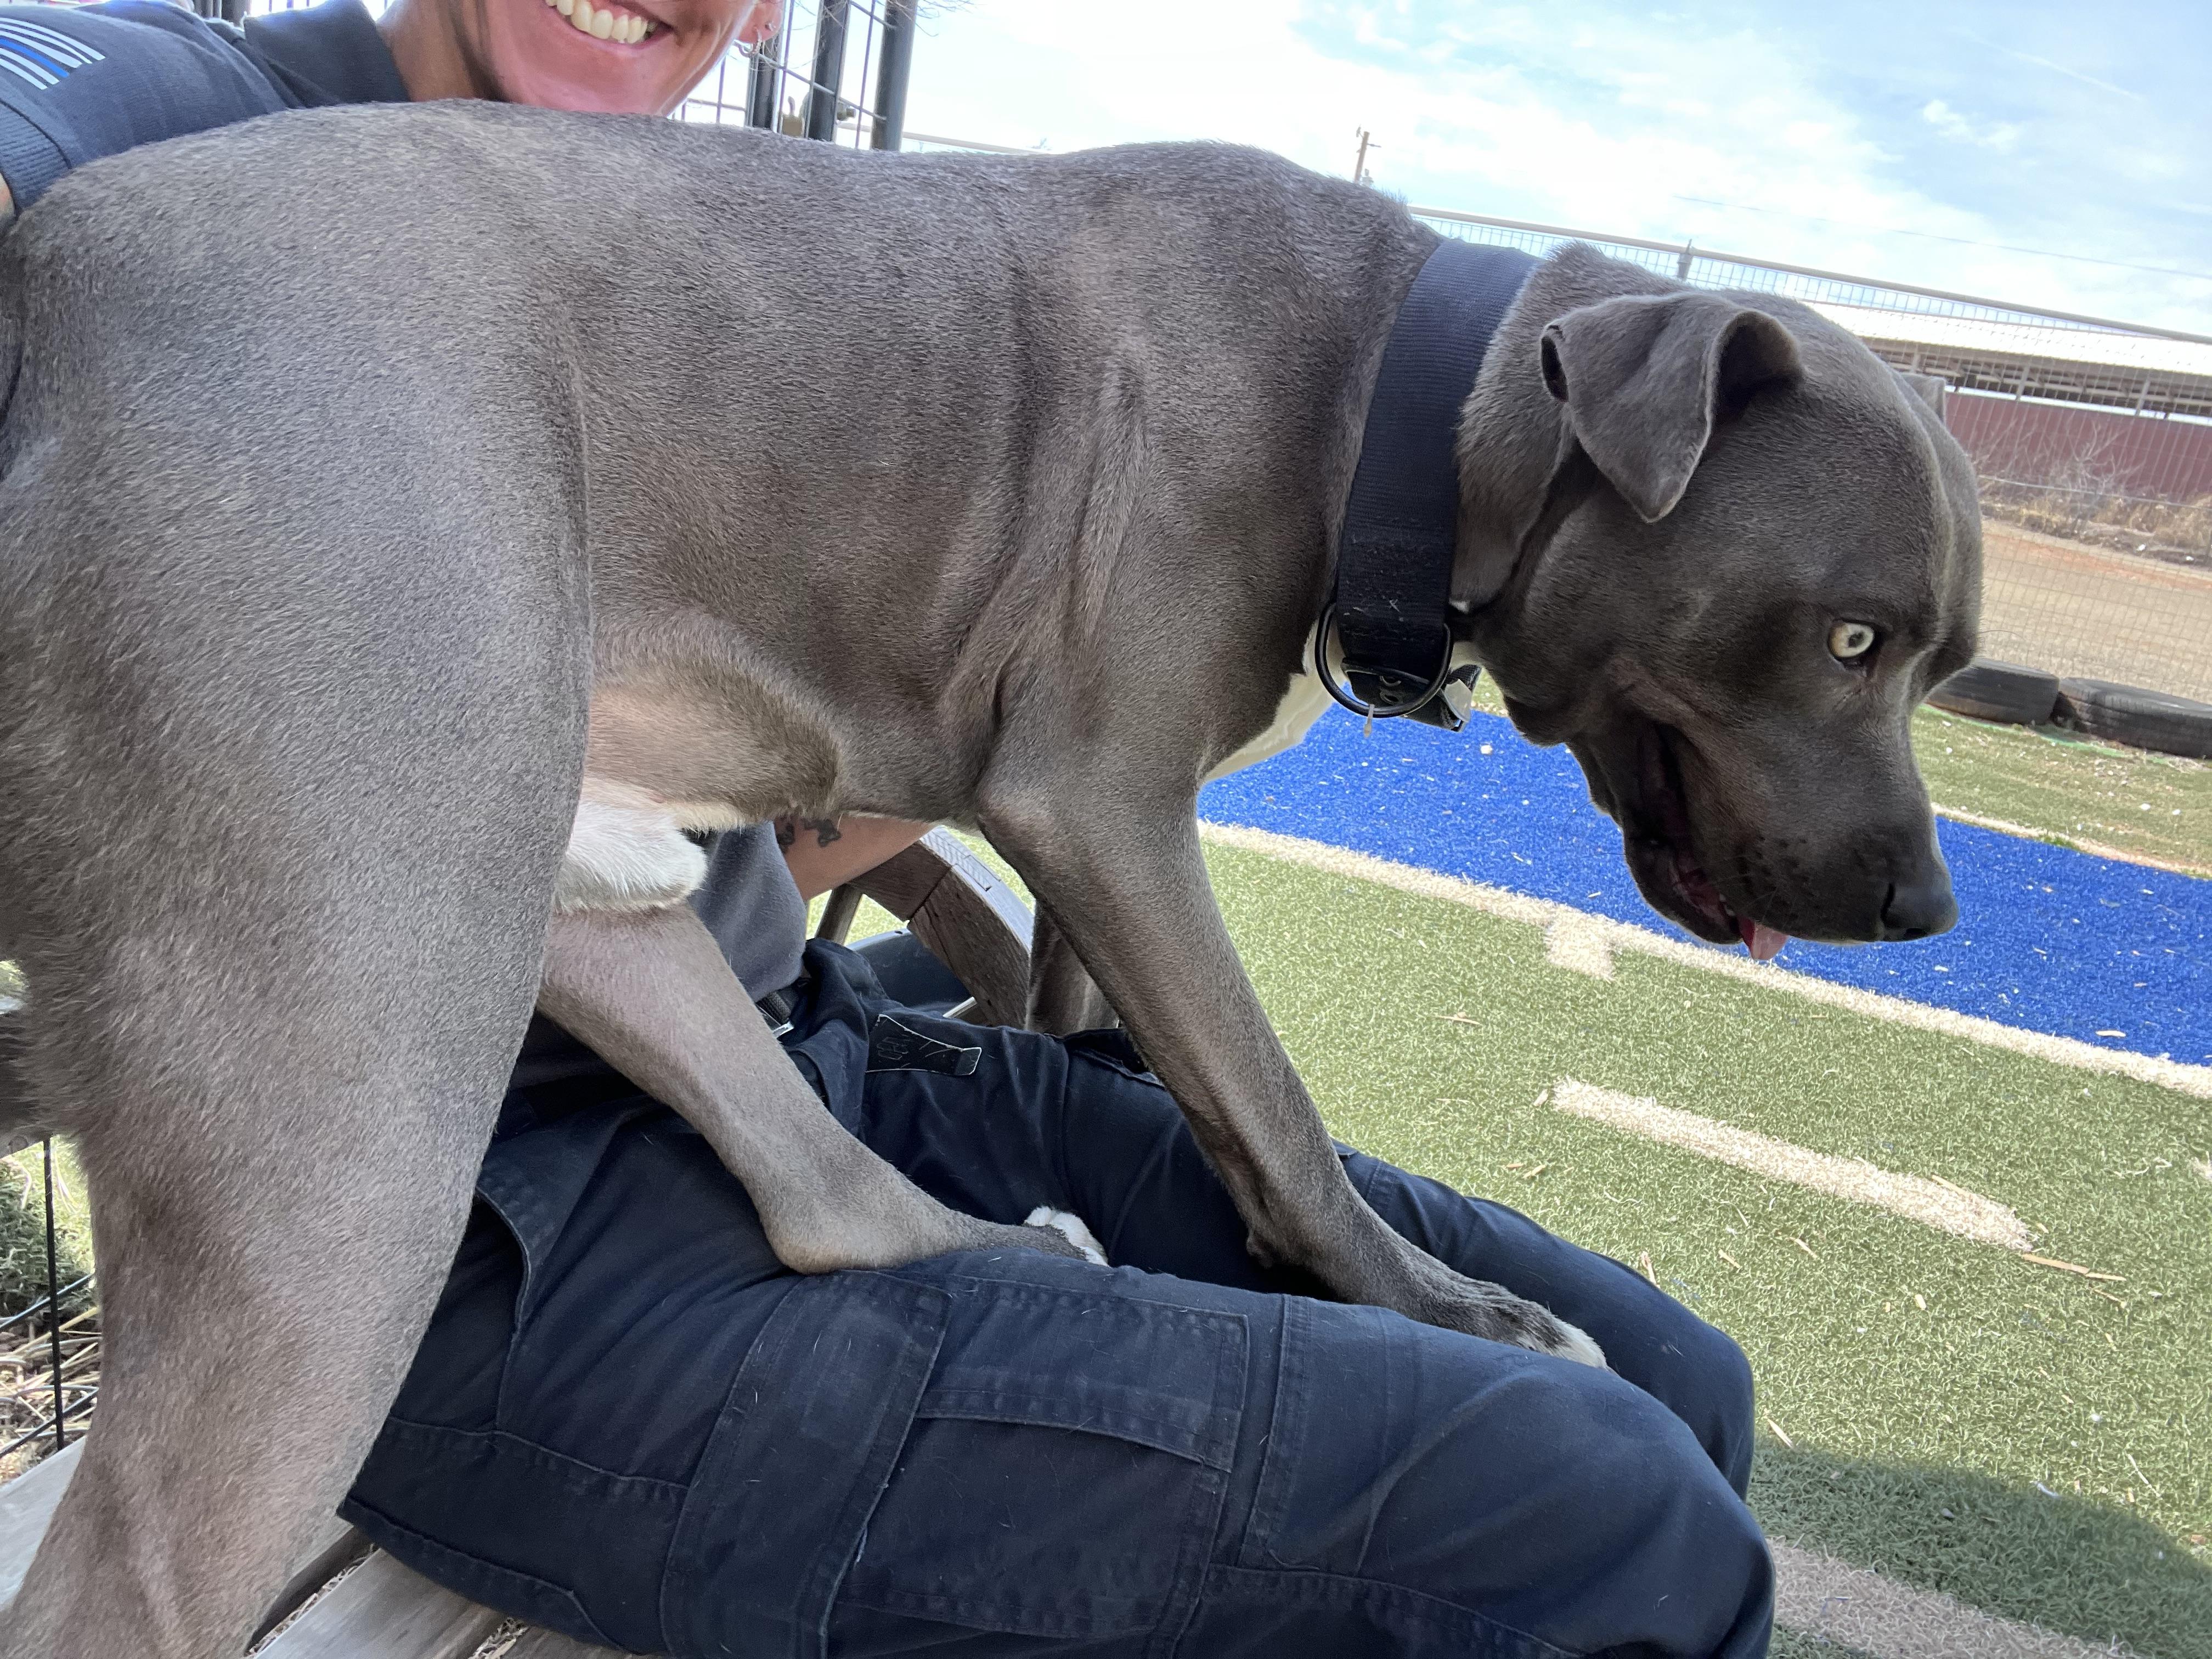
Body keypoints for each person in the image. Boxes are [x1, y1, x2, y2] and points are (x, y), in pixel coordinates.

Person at [0, 4, 1775, 1652]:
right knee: (1606, 1521)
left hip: (819, 1056)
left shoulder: (712, 247)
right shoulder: (195, 131)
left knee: (1671, 1382)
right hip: (523, 1240)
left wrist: (912, 805)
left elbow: (707, 818)